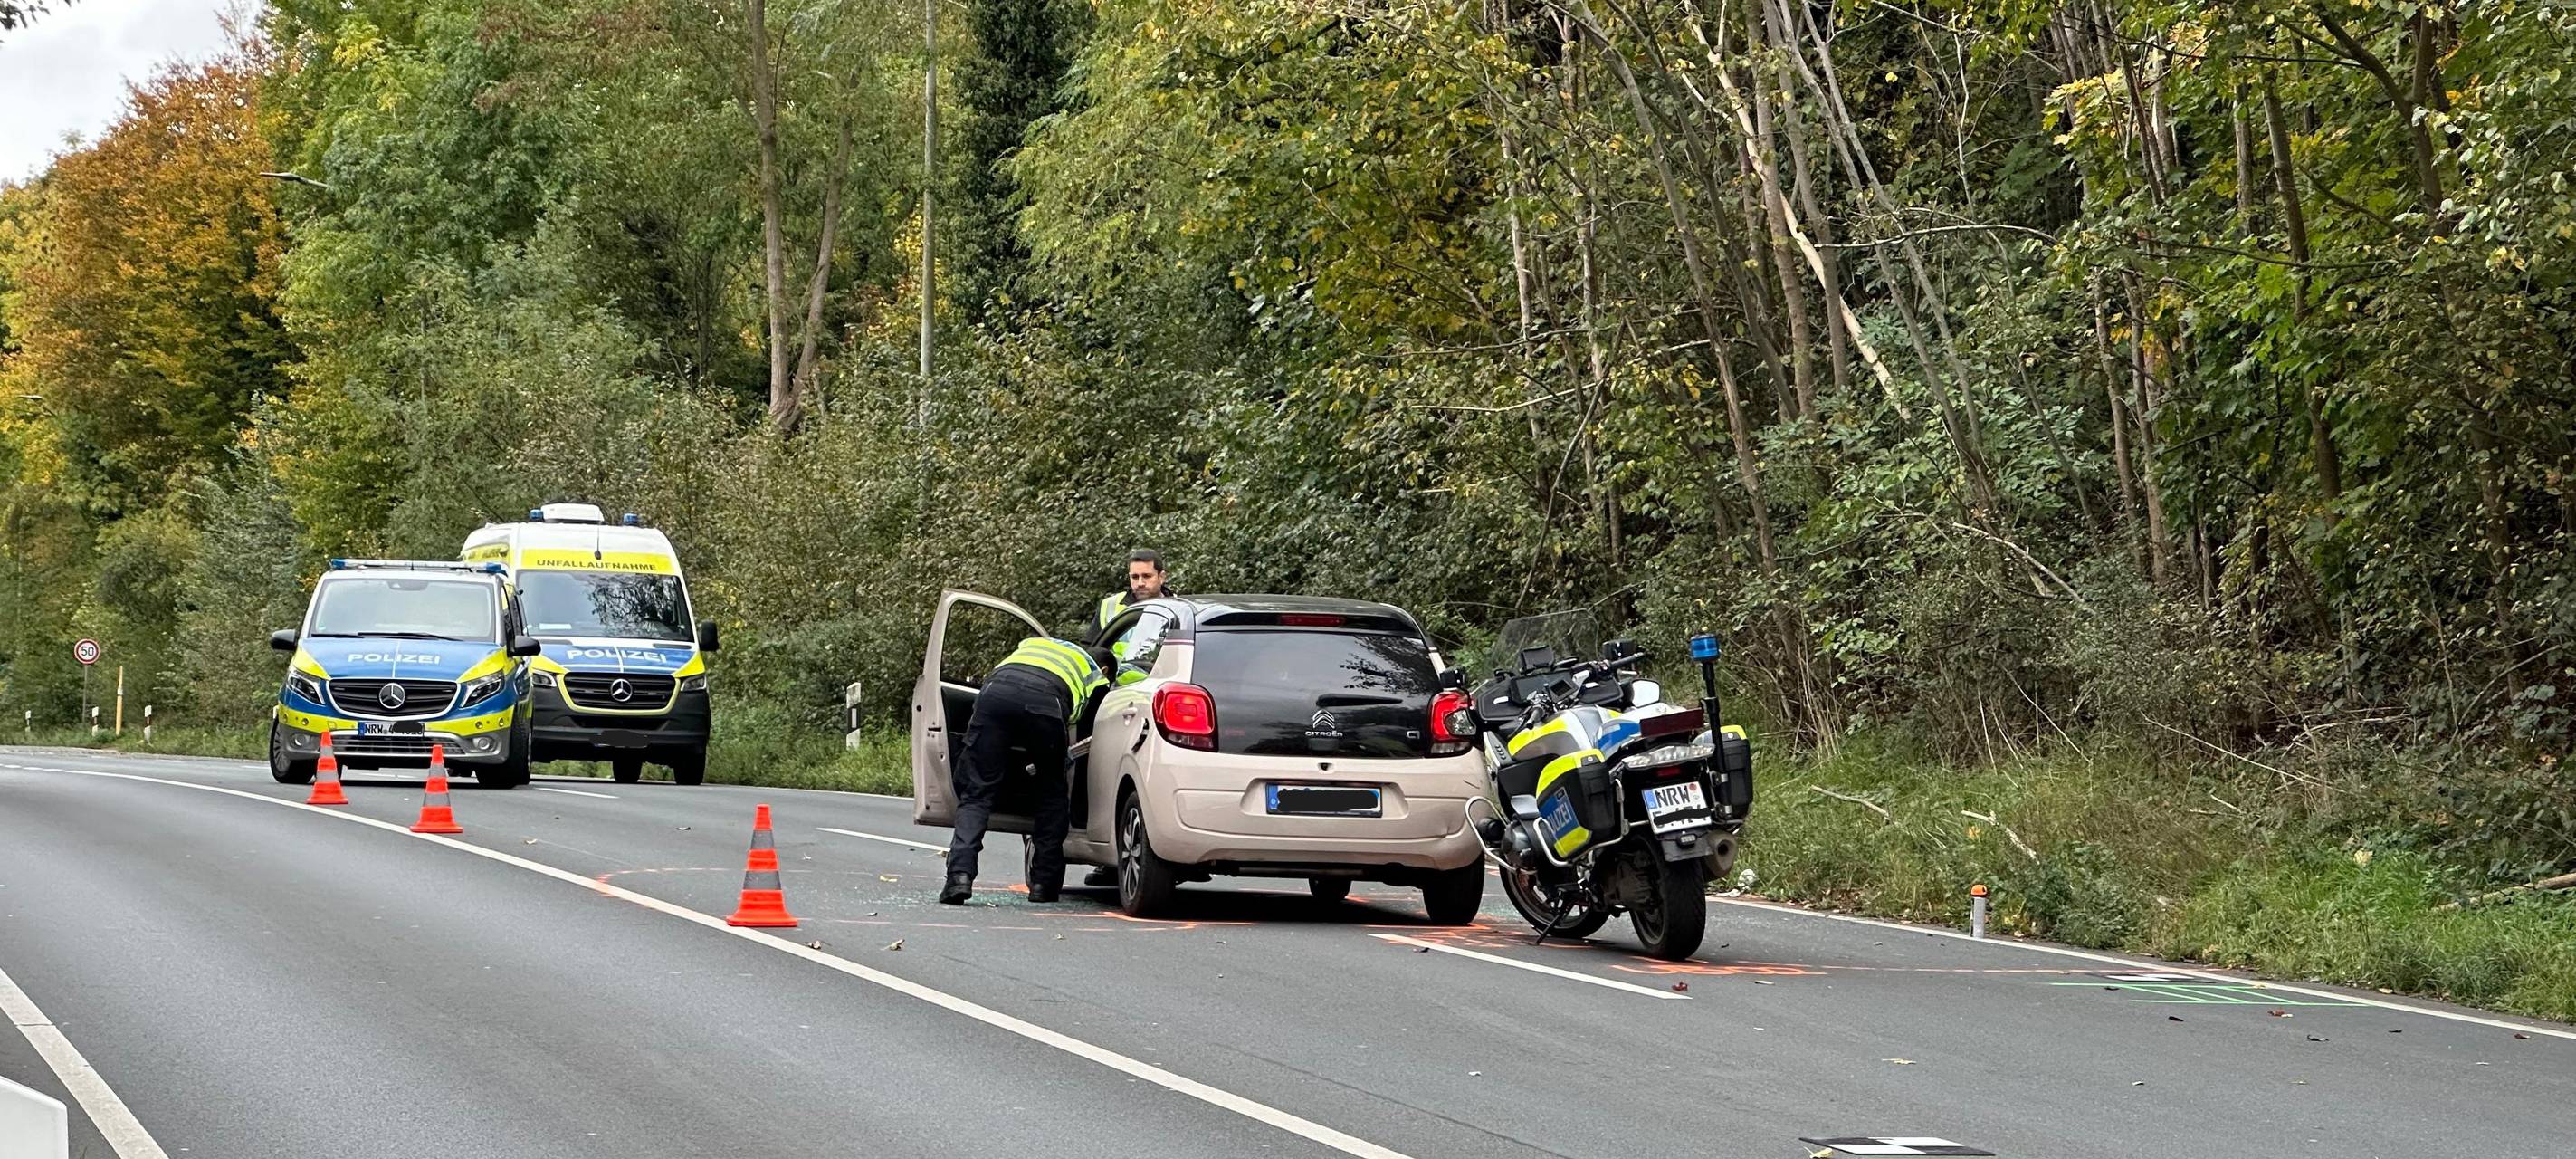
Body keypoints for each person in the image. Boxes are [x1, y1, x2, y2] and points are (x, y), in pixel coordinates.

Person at [940, 637, 1112, 905]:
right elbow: (1094, 733)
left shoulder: (1034, 645)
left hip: (994, 694)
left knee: (977, 793)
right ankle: (1044, 884)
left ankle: (959, 877)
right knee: (1051, 795)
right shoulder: (1095, 675)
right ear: (1105, 669)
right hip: (1046, 703)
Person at [1091, 549, 1170, 645]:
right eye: (1135, 577)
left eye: (1147, 576)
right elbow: (1090, 650)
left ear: (1161, 577)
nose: (1140, 583)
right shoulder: (1109, 606)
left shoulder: (1182, 610)